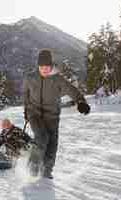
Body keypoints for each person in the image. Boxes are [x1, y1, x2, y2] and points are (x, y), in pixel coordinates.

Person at [23, 49, 90, 179]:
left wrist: (81, 102)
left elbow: (72, 90)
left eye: (47, 66)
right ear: (38, 66)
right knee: (42, 137)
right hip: (35, 114)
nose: (44, 70)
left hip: (52, 116)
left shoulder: (58, 79)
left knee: (52, 144)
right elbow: (26, 95)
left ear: (51, 65)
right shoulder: (30, 77)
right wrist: (26, 110)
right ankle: (33, 166)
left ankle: (46, 171)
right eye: (42, 67)